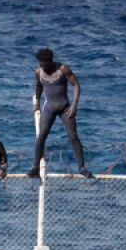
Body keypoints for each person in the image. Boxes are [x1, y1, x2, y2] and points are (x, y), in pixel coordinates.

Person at [29, 48, 91, 179]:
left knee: (73, 135)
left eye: (44, 64)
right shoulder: (39, 72)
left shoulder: (63, 70)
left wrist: (74, 105)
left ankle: (82, 167)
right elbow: (39, 86)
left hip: (65, 108)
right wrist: (37, 103)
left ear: (50, 61)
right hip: (49, 108)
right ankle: (35, 167)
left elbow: (76, 85)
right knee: (41, 136)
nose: (42, 66)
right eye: (40, 64)